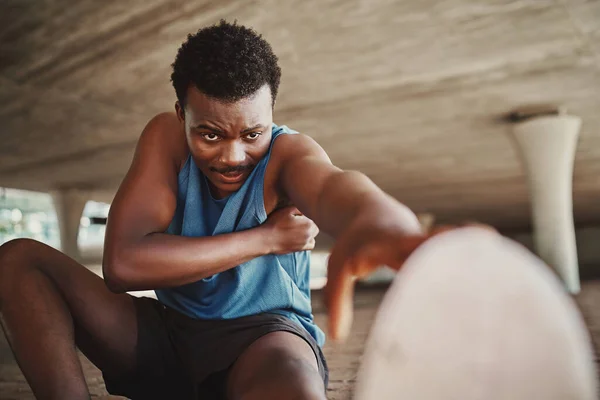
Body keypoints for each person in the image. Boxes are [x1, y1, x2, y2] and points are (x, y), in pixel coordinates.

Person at [0, 21, 442, 399]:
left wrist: (390, 228)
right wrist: (265, 238)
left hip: (264, 337)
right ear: (181, 115)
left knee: (292, 386)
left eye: (253, 134)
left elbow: (336, 189)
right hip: (171, 335)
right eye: (210, 134)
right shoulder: (164, 139)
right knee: (19, 259)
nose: (232, 156)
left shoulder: (288, 155)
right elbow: (122, 266)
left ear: (271, 115)